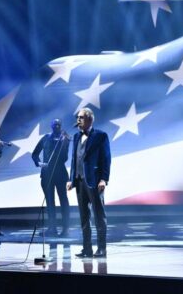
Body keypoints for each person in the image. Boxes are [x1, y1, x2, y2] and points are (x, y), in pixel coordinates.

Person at [66, 107, 111, 258]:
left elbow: (106, 159)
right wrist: (71, 179)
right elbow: (74, 159)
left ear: (90, 119)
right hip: (79, 181)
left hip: (94, 180)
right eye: (77, 117)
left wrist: (104, 179)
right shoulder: (76, 136)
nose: (78, 120)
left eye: (81, 117)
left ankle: (102, 249)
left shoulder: (101, 136)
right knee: (84, 217)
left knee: (98, 216)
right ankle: (87, 249)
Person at [32, 119, 70, 237]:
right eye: (55, 125)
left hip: (60, 174)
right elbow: (34, 154)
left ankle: (66, 229)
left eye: (59, 125)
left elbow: (64, 158)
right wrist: (39, 163)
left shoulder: (64, 139)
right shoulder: (45, 138)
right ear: (51, 126)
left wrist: (64, 144)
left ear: (61, 126)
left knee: (63, 200)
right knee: (49, 201)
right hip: (47, 174)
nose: (57, 127)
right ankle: (52, 228)